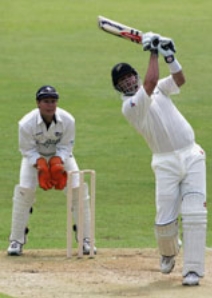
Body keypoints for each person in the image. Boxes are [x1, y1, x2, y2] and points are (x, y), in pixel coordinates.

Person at [110, 33, 207, 286]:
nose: (128, 81)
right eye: (122, 80)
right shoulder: (131, 105)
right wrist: (153, 51)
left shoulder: (160, 90)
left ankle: (193, 271)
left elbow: (179, 79)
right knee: (165, 221)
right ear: (118, 88)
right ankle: (167, 252)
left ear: (135, 75)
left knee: (195, 214)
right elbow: (151, 81)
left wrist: (170, 56)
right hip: (164, 163)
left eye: (130, 75)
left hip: (192, 154)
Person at [7, 85, 97, 256]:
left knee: (78, 191)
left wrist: (57, 162)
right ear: (38, 103)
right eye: (46, 101)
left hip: (62, 158)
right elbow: (26, 150)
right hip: (33, 158)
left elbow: (66, 146)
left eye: (53, 101)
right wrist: (40, 164)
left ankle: (86, 240)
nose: (50, 105)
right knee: (24, 192)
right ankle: (16, 241)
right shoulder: (26, 123)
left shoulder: (68, 120)